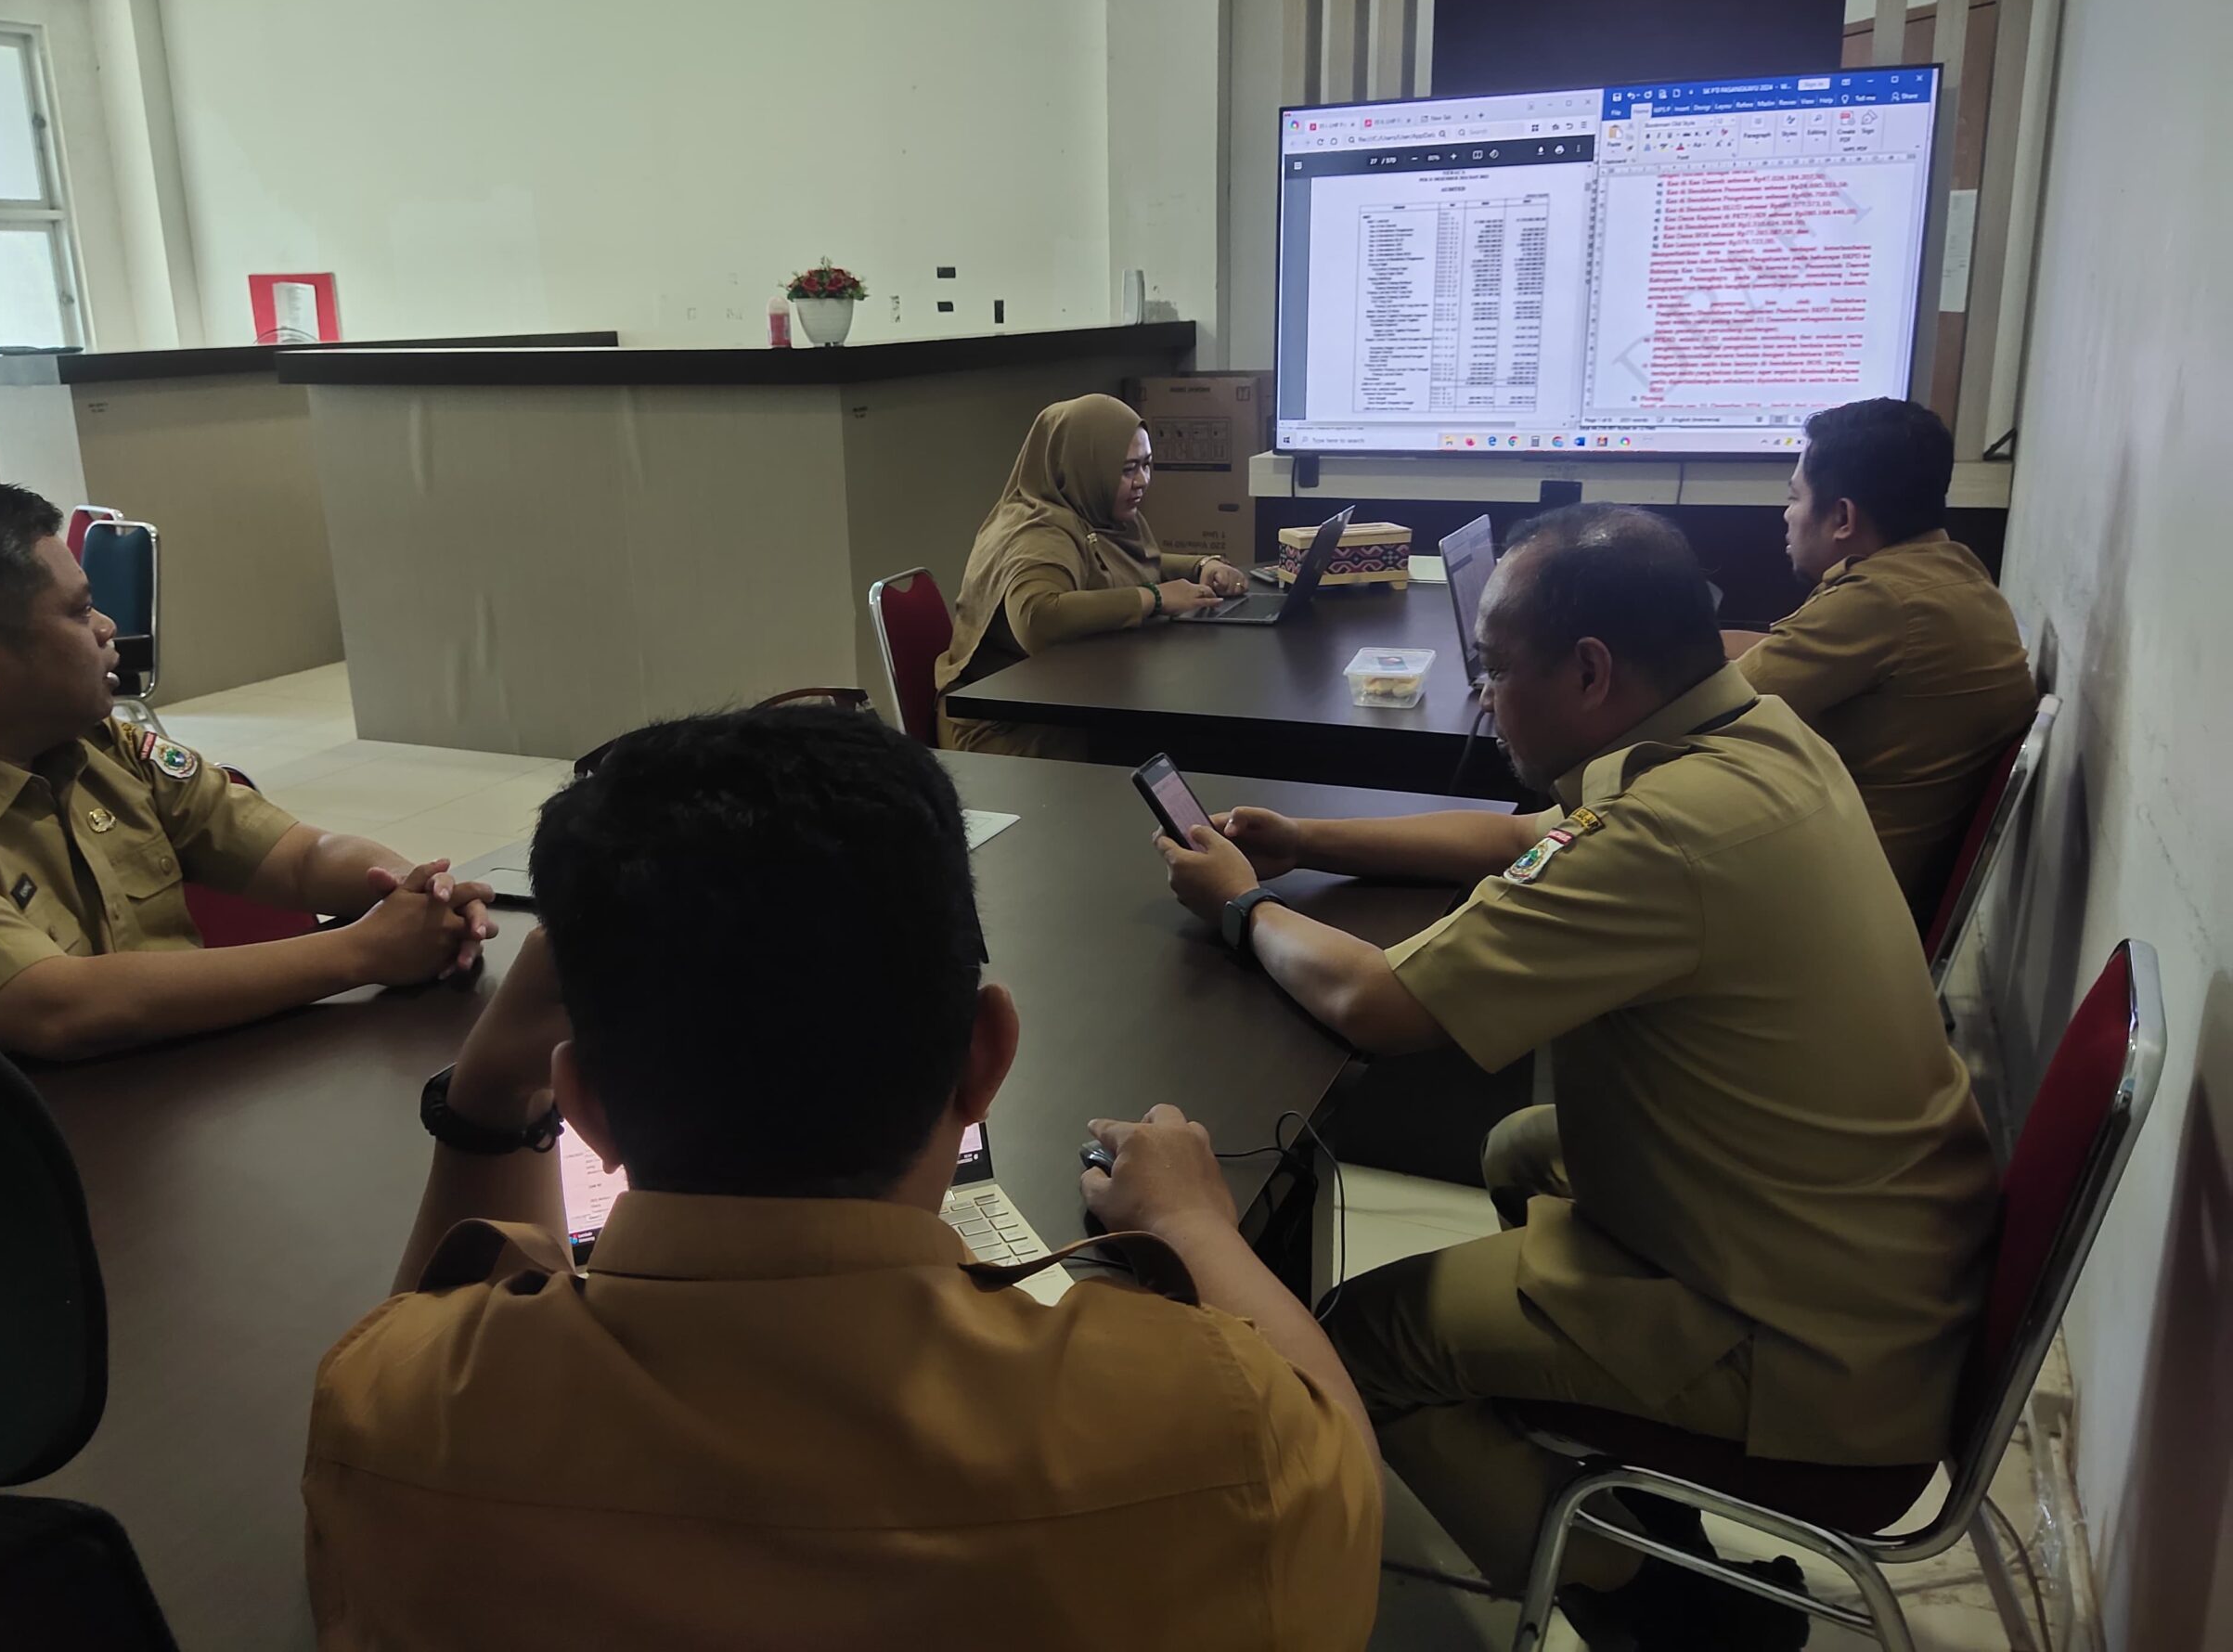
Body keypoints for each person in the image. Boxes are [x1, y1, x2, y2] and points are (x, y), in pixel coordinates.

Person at [304, 704, 1381, 1650]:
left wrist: (487, 1107)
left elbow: (427, 1361)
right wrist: (1195, 1225)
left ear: (580, 1107)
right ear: (986, 1058)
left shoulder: (395, 1422)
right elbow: (1340, 1466)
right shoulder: (1225, 1441)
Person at [1156, 505, 1997, 1649]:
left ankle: (1656, 1608)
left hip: (1814, 1347)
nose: (1484, 699)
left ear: (1592, 672)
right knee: (1519, 1148)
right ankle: (1622, 1478)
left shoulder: (1667, 836)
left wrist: (1241, 905)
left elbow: (1376, 1004)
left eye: (1495, 671)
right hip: (1870, 1250)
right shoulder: (1756, 738)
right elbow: (1528, 840)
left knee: (1360, 1340)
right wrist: (1307, 839)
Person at [0, 484, 494, 1060]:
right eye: (79, 612)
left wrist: (416, 895)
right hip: (49, 1133)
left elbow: (300, 857)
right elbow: (56, 1007)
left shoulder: (92, 741)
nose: (107, 627)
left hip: (185, 1091)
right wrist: (362, 950)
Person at [1725, 397, 2036, 921]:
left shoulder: (1878, 600)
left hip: (1827, 902)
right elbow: (1779, 654)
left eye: (1795, 498)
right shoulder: (1950, 571)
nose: (1787, 515)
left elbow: (1709, 708)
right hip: (1880, 886)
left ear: (1842, 517)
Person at [934, 394, 1247, 756]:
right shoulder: (1038, 532)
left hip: (1063, 701)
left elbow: (1115, 566)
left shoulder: (1090, 512)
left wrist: (1199, 566)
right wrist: (1155, 597)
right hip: (1008, 729)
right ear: (1082, 468)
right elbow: (1037, 616)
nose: (1142, 481)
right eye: (1127, 470)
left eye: (1147, 464)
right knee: (1197, 745)